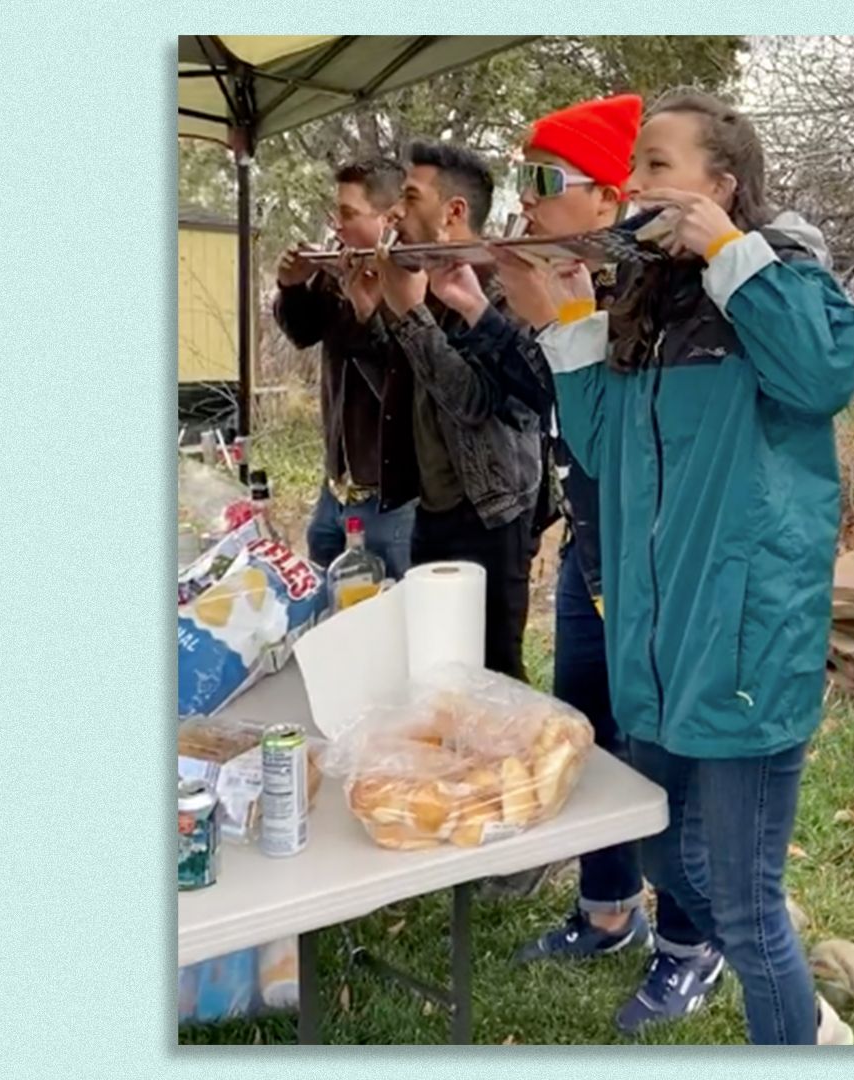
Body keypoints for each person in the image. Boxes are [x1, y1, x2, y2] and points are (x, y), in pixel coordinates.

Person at [510, 89, 854, 1045]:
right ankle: (789, 985)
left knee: (747, 906)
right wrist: (567, 314)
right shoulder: (652, 302)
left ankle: (793, 1016)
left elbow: (823, 376)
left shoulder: (781, 280)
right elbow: (595, 447)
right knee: (666, 850)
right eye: (635, 166)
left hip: (745, 646)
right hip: (659, 644)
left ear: (722, 185)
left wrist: (727, 253)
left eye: (657, 165)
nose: (633, 185)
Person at [458, 93, 727, 1035]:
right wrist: (477, 312)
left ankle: (692, 943)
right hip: (588, 551)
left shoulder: (662, 292)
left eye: (543, 182)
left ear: (612, 199)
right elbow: (540, 404)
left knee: (667, 757)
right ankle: (607, 907)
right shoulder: (567, 277)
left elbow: (619, 431)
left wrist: (547, 315)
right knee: (581, 731)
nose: (523, 203)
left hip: (654, 567)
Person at [371, 140, 544, 682]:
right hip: (433, 510)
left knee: (494, 680)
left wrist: (408, 313)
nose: (395, 212)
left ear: (454, 212)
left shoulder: (508, 286)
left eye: (409, 196)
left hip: (491, 517)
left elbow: (473, 402)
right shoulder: (420, 279)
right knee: (435, 670)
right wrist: (376, 304)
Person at [272, 158, 417, 581]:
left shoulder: (413, 278)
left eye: (349, 214)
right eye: (336, 213)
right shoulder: (337, 270)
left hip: (390, 499)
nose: (337, 225)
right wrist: (293, 285)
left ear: (389, 217)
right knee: (327, 609)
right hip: (334, 488)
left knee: (390, 621)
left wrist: (366, 310)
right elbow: (302, 333)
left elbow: (403, 380)